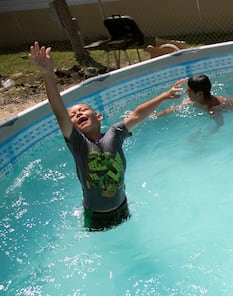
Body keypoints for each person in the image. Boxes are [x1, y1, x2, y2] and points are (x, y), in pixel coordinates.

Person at [29, 41, 185, 231]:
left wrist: (164, 96)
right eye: (74, 115)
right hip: (96, 216)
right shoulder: (78, 143)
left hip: (122, 207)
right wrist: (48, 75)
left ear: (99, 116)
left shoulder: (115, 134)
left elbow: (137, 114)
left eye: (83, 110)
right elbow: (60, 112)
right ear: (72, 127)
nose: (78, 114)